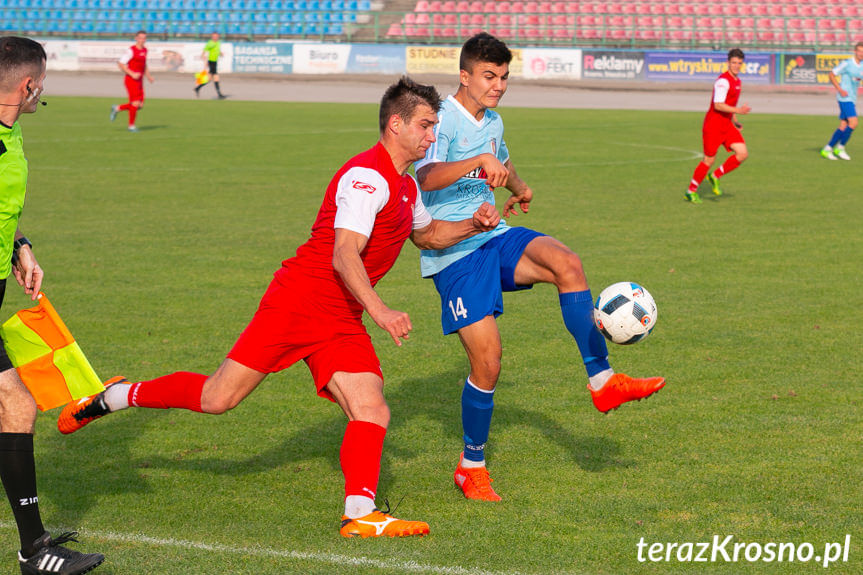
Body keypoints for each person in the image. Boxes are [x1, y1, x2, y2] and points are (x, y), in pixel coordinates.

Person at [58, 77, 501, 537]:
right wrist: (382, 310)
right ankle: (112, 396)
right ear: (396, 124)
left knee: (371, 407)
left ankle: (359, 514)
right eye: (427, 126)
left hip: (340, 314)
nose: (433, 137)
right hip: (300, 301)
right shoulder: (366, 178)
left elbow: (428, 235)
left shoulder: (406, 186)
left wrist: (475, 222)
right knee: (218, 398)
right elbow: (344, 253)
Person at [414, 33, 665, 502]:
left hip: (494, 236)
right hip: (454, 254)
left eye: (505, 77)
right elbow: (424, 176)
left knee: (566, 263)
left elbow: (501, 162)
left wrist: (519, 187)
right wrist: (478, 161)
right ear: (464, 76)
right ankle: (472, 466)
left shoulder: (493, 120)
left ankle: (603, 380)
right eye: (489, 76)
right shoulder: (442, 119)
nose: (499, 86)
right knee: (488, 365)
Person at [0, 36, 105, 575]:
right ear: (28, 85)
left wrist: (20, 247)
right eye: (44, 81)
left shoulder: (8, 132)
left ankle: (32, 547)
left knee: (15, 403)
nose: (45, 90)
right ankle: (34, 548)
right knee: (14, 400)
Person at [685, 48, 751, 203]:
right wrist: (739, 110)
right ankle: (691, 190)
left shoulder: (737, 81)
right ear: (728, 63)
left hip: (726, 125)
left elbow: (729, 104)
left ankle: (715, 176)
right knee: (709, 160)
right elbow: (718, 105)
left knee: (742, 153)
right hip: (713, 126)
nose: (736, 66)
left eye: (739, 63)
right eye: (733, 62)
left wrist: (734, 119)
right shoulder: (723, 81)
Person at [820, 42, 863, 161]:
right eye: (859, 51)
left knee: (843, 126)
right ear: (855, 51)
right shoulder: (847, 64)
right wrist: (840, 89)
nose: (861, 54)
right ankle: (840, 147)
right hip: (844, 98)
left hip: (852, 98)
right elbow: (831, 74)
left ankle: (827, 149)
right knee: (853, 123)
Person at [109, 30, 153, 133]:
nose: (142, 40)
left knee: (139, 106)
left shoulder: (145, 50)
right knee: (135, 103)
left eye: (144, 38)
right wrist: (132, 73)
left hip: (140, 81)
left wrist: (148, 76)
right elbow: (120, 64)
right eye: (140, 38)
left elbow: (144, 64)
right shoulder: (131, 50)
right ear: (136, 38)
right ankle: (131, 126)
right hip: (131, 80)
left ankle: (117, 108)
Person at [194, 32, 226, 100]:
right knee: (216, 78)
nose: (215, 37)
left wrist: (220, 53)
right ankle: (219, 94)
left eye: (216, 36)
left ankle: (197, 88)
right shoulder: (210, 43)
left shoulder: (218, 42)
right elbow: (204, 51)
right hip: (211, 62)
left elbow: (217, 49)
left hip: (215, 62)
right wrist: (203, 58)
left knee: (209, 79)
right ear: (212, 37)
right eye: (214, 36)